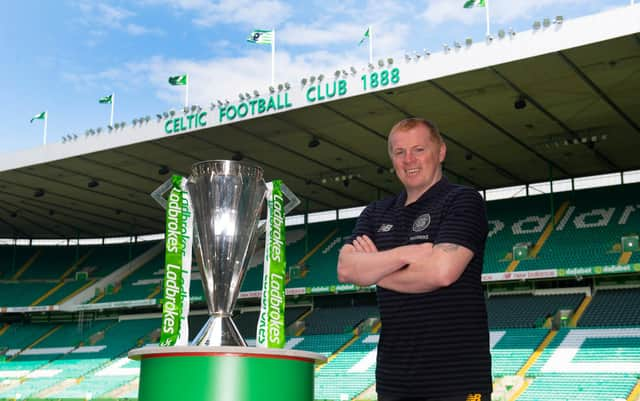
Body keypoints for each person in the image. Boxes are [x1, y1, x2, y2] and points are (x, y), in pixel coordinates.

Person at [337, 117, 491, 401]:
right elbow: (346, 269)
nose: (409, 160)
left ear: (441, 152)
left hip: (457, 380)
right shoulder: (375, 212)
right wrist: (406, 255)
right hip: (394, 381)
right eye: (399, 152)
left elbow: (441, 272)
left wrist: (374, 269)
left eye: (419, 149)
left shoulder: (463, 200)